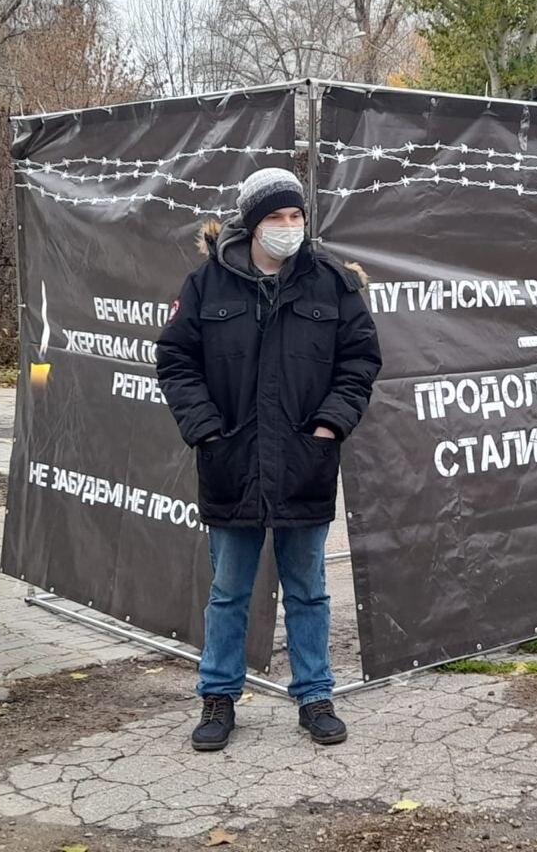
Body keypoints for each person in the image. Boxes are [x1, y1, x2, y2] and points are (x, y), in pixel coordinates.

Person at [156, 166, 381, 752]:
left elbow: (360, 361)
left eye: (296, 215)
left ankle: (315, 695)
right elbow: (176, 362)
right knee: (229, 590)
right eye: (276, 217)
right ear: (252, 223)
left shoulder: (331, 283)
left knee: (308, 589)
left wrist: (330, 424)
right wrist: (206, 430)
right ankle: (218, 696)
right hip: (231, 461)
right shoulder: (207, 285)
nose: (288, 226)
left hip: (305, 461)